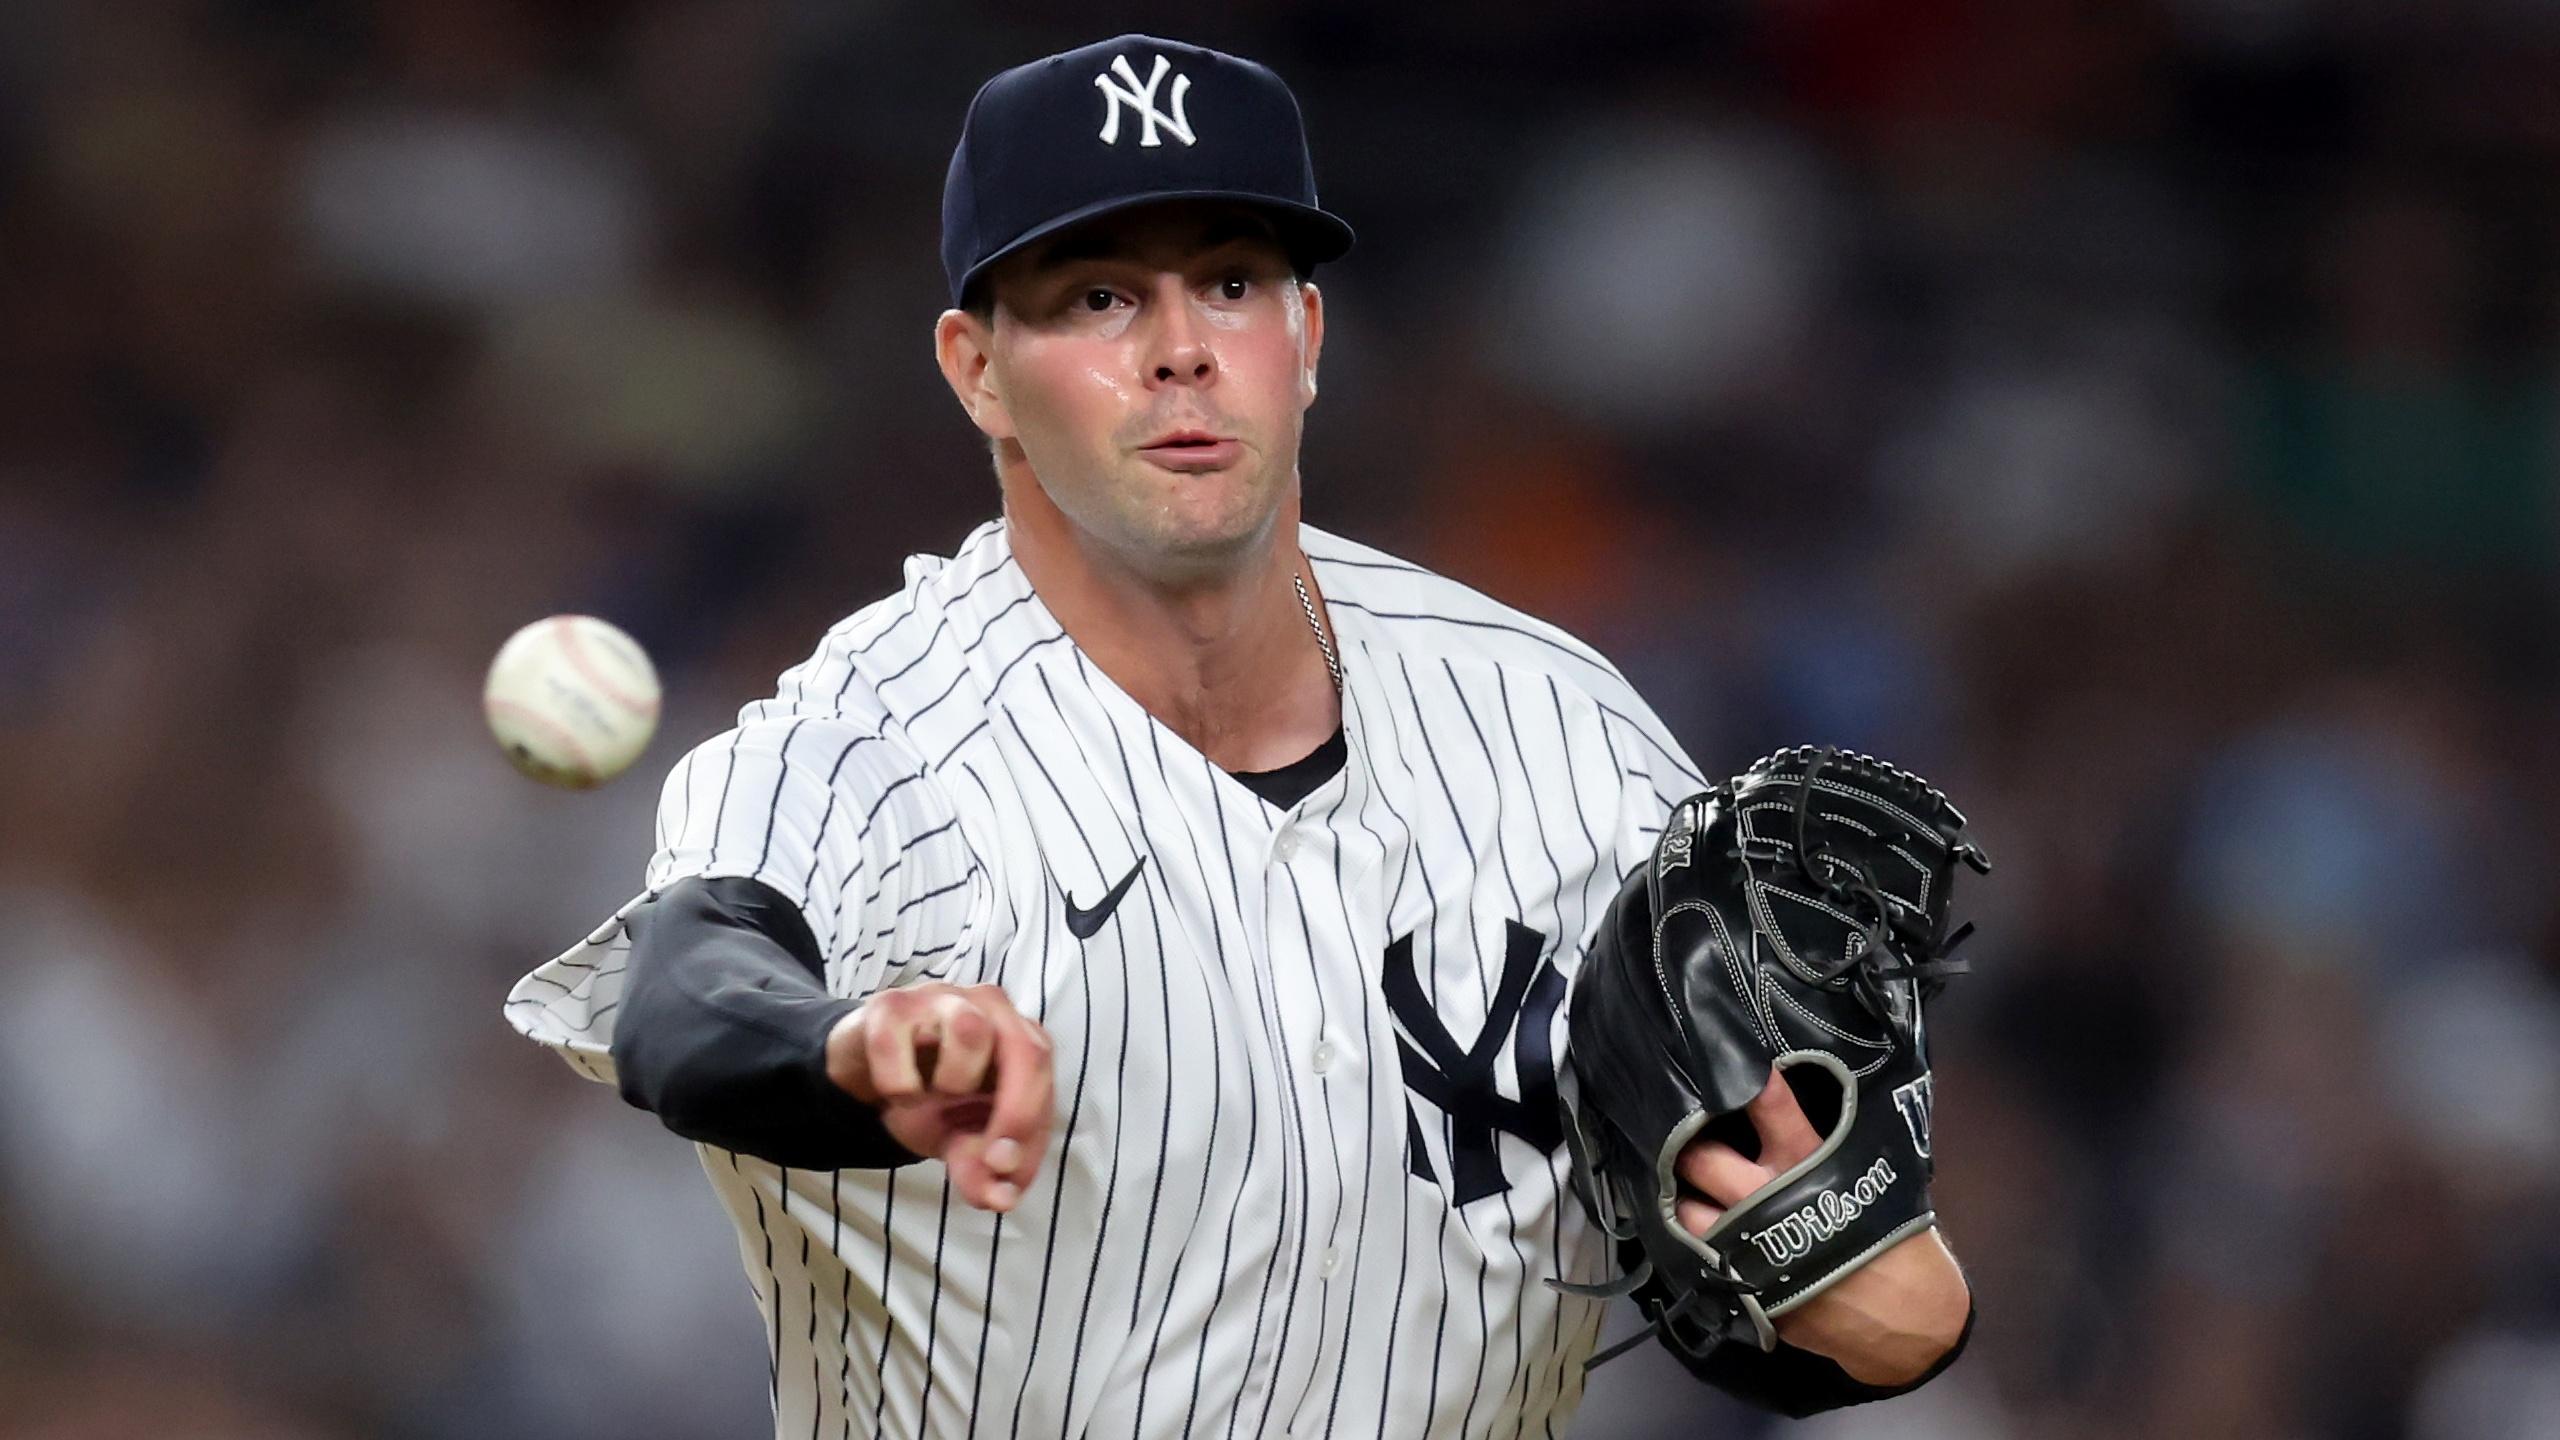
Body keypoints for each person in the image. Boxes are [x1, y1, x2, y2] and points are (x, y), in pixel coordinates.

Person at [504, 33, 1973, 1438]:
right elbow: (682, 1004)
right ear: (975, 368)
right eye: (1094, 298)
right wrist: (853, 1049)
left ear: (1307, 335)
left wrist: (1841, 1287)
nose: (1179, 351)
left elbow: (1742, 1270)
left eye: (1228, 283)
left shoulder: (1562, 730)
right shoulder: (874, 747)